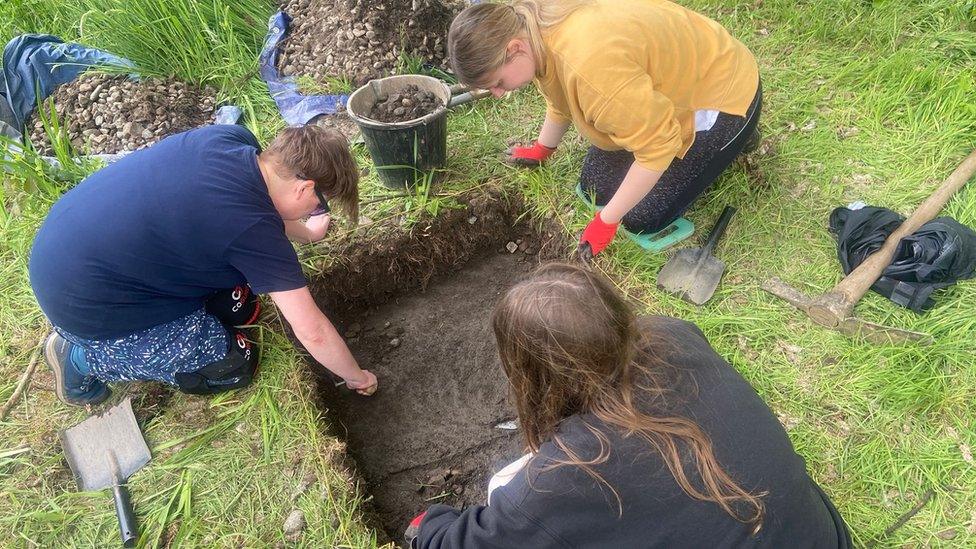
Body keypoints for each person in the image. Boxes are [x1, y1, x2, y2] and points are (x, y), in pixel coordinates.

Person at [406, 262, 851, 547]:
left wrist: (425, 528)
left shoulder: (572, 470)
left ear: (530, 371)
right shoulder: (674, 335)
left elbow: (470, 543)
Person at [29, 124, 378, 406]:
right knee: (233, 364)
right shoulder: (251, 229)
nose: (316, 212)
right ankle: (78, 358)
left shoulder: (231, 140)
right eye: (320, 205)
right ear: (305, 189)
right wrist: (356, 377)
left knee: (240, 304)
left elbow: (247, 210)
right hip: (88, 307)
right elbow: (312, 330)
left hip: (69, 251)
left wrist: (305, 233)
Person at [448, 0, 762, 256]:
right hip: (660, 87)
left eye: (498, 83)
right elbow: (560, 96)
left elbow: (658, 147)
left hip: (721, 95)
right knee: (594, 187)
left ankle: (737, 138)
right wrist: (543, 148)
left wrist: (607, 221)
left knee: (641, 217)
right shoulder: (529, 27)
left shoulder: (591, 70)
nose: (500, 93)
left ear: (515, 48)